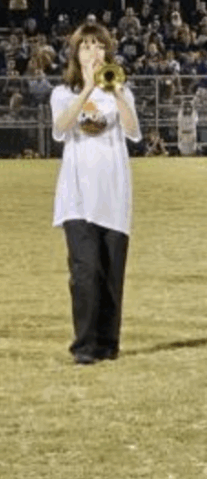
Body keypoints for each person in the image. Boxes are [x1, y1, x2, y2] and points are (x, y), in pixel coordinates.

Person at [50, 22, 142, 364]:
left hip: (114, 194)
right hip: (76, 198)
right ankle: (84, 346)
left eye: (98, 46)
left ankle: (108, 343)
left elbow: (133, 132)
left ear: (107, 52)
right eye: (86, 46)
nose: (93, 52)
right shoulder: (62, 93)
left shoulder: (121, 91)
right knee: (85, 271)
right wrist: (87, 88)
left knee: (111, 274)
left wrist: (117, 93)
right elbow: (61, 128)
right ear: (76, 53)